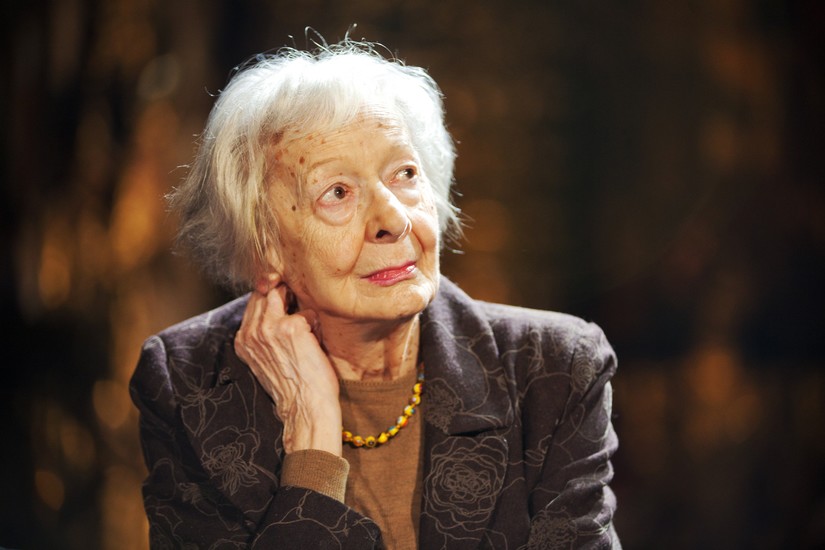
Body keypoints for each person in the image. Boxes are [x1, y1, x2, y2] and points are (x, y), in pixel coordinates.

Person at [130, 40, 621, 549]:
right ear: (265, 245)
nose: (393, 220)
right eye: (338, 192)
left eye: (405, 174)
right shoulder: (191, 383)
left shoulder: (554, 372)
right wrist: (313, 449)